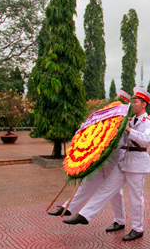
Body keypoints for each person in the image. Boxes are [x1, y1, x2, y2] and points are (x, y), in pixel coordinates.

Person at [63, 86, 150, 242]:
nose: (132, 104)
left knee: (135, 197)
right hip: (124, 160)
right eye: (132, 101)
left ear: (144, 104)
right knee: (107, 188)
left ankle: (137, 229)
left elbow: (146, 140)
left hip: (138, 162)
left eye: (135, 101)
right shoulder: (128, 118)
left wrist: (127, 130)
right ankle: (84, 215)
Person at [48, 89, 130, 233]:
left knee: (112, 190)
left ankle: (116, 220)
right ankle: (69, 208)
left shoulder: (127, 117)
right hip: (102, 154)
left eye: (119, 100)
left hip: (117, 156)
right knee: (88, 183)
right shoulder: (107, 115)